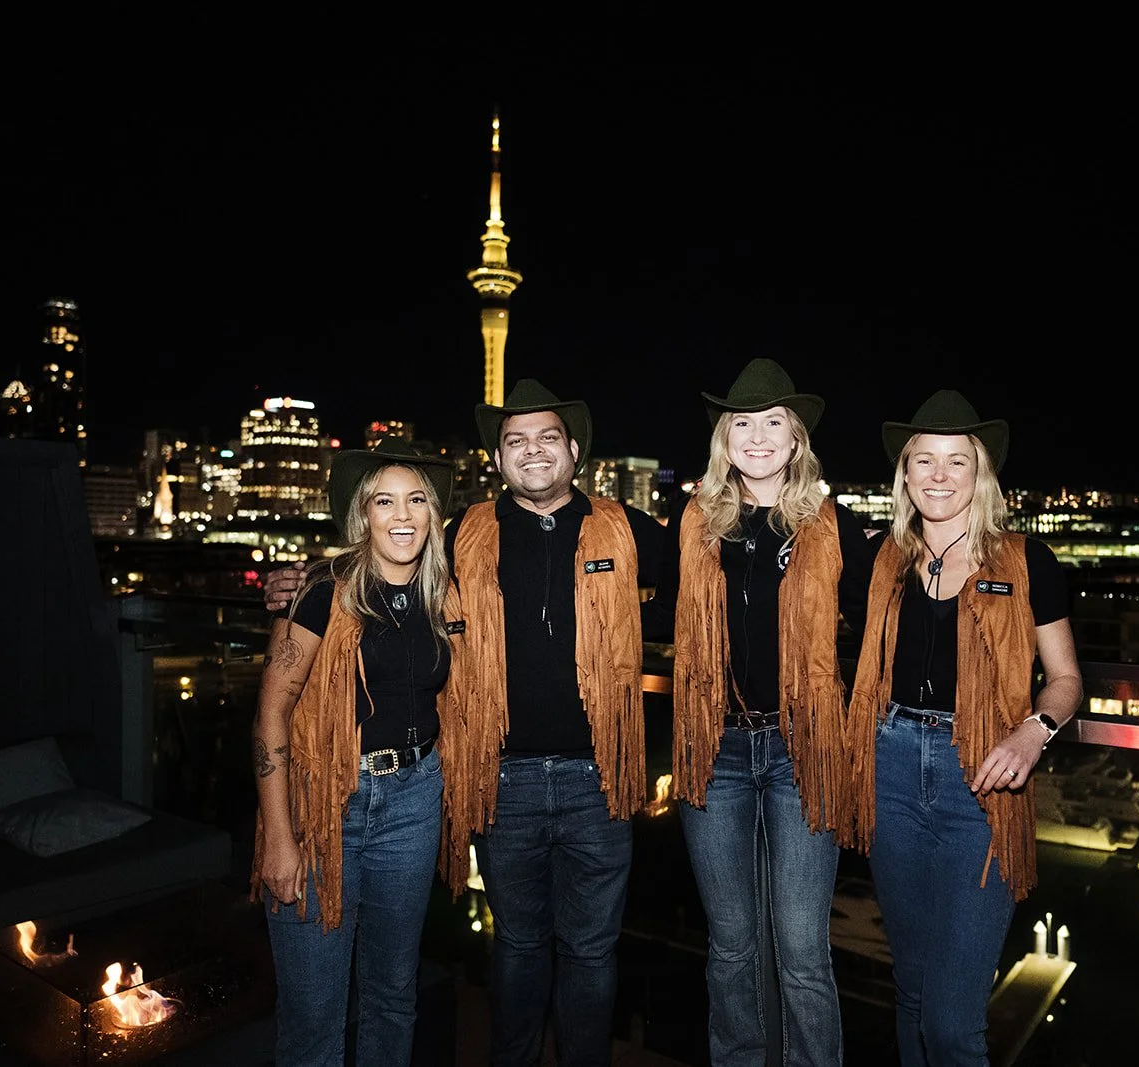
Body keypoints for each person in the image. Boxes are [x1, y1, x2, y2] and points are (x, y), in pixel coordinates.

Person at [262, 379, 665, 1067]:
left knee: (586, 953)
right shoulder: (466, 536)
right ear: (498, 458)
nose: (532, 450)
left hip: (590, 780)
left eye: (547, 438)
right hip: (489, 779)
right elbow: (365, 577)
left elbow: (713, 579)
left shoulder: (625, 528)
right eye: (515, 440)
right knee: (512, 945)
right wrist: (292, 583)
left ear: (575, 450)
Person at [641, 357, 875, 1066]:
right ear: (725, 439)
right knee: (732, 943)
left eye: (775, 422)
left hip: (804, 752)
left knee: (803, 949)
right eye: (743, 423)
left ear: (797, 439)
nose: (759, 436)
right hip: (716, 752)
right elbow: (608, 574)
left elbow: (902, 600)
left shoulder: (832, 525)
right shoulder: (692, 524)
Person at [843, 389, 1084, 1066]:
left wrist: (1032, 730)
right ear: (905, 474)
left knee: (952, 1022)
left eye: (957, 460)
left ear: (981, 475)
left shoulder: (1028, 560)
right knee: (912, 990)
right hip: (888, 771)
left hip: (982, 780)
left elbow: (1065, 679)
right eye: (924, 460)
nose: (939, 474)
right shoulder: (878, 560)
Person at [249, 438, 460, 1067]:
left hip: (415, 800)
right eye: (385, 501)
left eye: (417, 500)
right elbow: (270, 715)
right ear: (362, 517)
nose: (403, 515)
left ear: (433, 515)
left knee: (394, 997)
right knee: (315, 1019)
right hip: (324, 807)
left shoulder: (444, 594)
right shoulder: (323, 591)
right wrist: (280, 839)